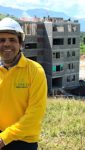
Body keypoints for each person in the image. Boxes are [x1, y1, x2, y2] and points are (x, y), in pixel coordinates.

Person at [0, 17, 47, 150]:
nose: (6, 44)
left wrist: (5, 138)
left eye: (12, 40)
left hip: (24, 140)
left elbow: (35, 113)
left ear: (20, 44)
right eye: (1, 40)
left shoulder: (35, 71)